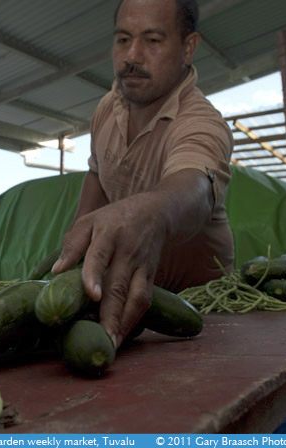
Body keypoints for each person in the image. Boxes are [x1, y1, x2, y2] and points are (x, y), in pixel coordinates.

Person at [52, 0, 234, 349]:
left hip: (199, 314)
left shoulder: (201, 122)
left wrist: (153, 215)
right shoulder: (107, 108)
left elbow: (195, 187)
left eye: (152, 40)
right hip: (119, 299)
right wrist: (75, 255)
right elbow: (97, 174)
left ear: (188, 48)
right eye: (122, 40)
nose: (131, 56)